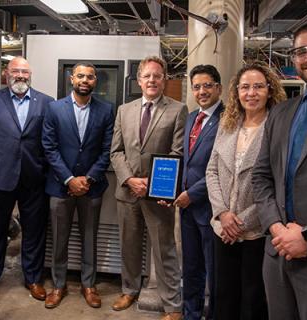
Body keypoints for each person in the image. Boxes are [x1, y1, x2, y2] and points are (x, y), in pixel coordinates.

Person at [252, 22, 307, 320]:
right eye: (301, 51)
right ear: (293, 59)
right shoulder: (282, 112)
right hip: (277, 255)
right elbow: (260, 177)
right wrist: (277, 229)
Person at [206, 61, 286, 320]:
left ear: (270, 90)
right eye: (245, 87)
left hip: (257, 231)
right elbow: (212, 171)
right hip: (223, 229)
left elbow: (276, 182)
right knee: (224, 296)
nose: (251, 93)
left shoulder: (278, 128)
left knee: (253, 300)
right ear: (236, 92)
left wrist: (240, 222)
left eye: (258, 87)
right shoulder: (227, 124)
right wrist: (222, 214)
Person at [110, 55, 188, 320]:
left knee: (164, 250)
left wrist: (152, 184)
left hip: (158, 195)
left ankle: (172, 305)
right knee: (129, 246)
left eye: (157, 75)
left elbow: (177, 153)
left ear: (164, 80)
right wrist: (130, 179)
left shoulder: (178, 110)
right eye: (147, 76)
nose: (152, 80)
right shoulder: (125, 110)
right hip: (127, 192)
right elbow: (116, 152)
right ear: (139, 80)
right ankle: (129, 290)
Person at [0, 56, 54, 301]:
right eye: (16, 72)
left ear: (30, 75)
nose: (21, 76)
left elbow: (49, 142)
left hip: (34, 177)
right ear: (6, 74)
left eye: (25, 72)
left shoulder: (46, 102)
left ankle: (33, 278)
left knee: (34, 231)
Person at [42, 62, 114, 309]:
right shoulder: (54, 109)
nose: (85, 80)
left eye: (90, 77)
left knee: (89, 237)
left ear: (96, 81)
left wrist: (89, 178)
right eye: (80, 76)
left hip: (92, 187)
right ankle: (58, 285)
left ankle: (88, 285)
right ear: (71, 78)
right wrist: (69, 179)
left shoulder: (106, 110)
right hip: (60, 186)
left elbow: (107, 150)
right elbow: (49, 148)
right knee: (59, 238)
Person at [177, 64, 223, 320]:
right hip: (186, 210)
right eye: (197, 87)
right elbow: (187, 160)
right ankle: (191, 314)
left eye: (207, 85)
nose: (202, 91)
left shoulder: (228, 117)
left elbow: (221, 168)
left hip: (211, 208)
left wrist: (192, 194)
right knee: (191, 267)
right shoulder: (192, 117)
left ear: (218, 87)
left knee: (214, 271)